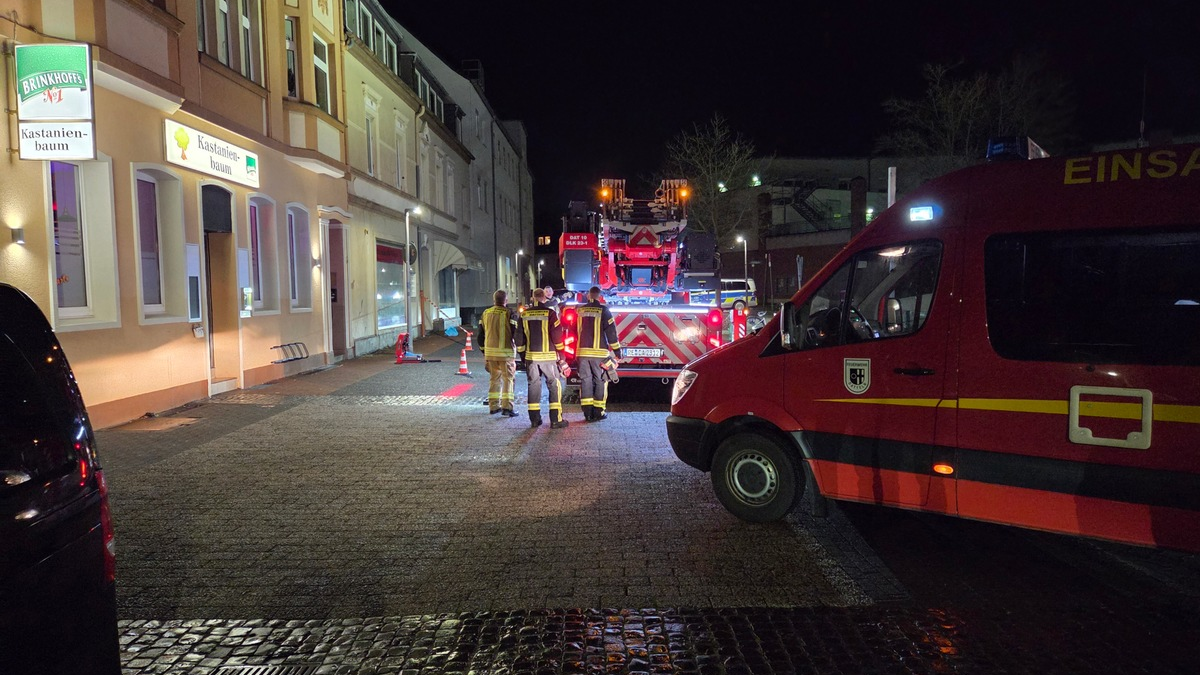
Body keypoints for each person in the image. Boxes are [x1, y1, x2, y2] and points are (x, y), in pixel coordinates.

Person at [518, 288, 569, 429]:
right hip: (548, 357)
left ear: (533, 298)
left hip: (531, 357)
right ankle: (555, 419)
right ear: (544, 298)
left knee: (533, 385)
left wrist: (522, 355)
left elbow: (519, 338)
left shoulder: (524, 314)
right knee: (554, 385)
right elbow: (557, 336)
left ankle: (534, 420)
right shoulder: (550, 313)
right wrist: (561, 355)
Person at [575, 286, 622, 421]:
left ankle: (587, 413)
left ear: (588, 296)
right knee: (601, 380)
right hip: (599, 354)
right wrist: (617, 351)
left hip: (582, 353)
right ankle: (598, 411)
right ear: (600, 297)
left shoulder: (580, 310)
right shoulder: (604, 310)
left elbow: (574, 331)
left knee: (585, 380)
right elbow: (611, 332)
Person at [476, 290, 519, 417]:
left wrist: (484, 351)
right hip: (506, 354)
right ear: (506, 300)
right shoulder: (510, 313)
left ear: (494, 300)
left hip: (490, 353)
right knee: (508, 379)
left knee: (494, 379)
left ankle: (493, 406)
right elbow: (515, 333)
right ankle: (507, 407)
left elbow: (480, 335)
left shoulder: (485, 313)